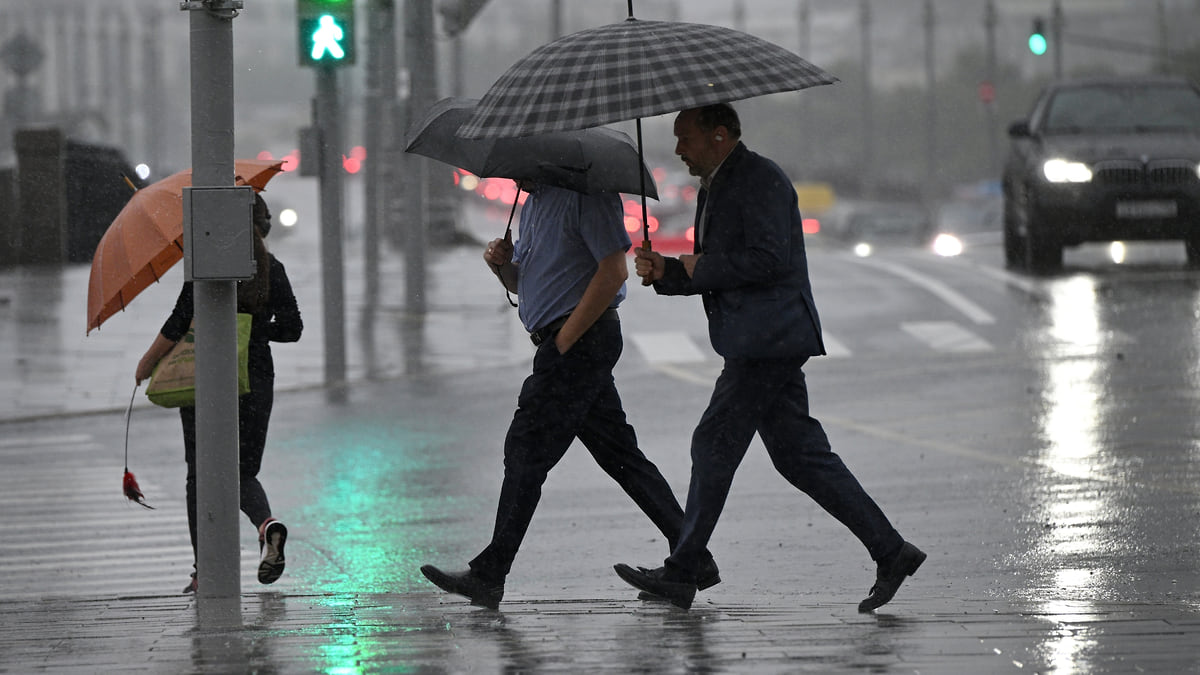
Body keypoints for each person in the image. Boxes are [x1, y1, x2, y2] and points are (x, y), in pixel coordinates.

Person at [614, 103, 925, 612]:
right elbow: (719, 266)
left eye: (684, 138)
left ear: (719, 135)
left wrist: (688, 266)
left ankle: (684, 569)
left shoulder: (759, 179)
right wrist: (668, 272)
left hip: (768, 338)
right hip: (762, 337)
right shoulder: (718, 182)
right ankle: (891, 551)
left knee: (713, 443)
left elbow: (766, 260)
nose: (677, 150)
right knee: (800, 456)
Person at [420, 180, 717, 610]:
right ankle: (695, 559)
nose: (510, 175)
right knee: (621, 457)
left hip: (577, 342)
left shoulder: (587, 194)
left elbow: (613, 271)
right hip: (563, 341)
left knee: (526, 450)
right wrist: (501, 267)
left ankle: (490, 572)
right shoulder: (535, 203)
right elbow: (531, 284)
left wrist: (565, 341)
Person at [135, 193, 303, 594]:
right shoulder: (270, 267)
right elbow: (293, 328)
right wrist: (253, 329)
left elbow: (178, 322)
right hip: (257, 377)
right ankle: (265, 524)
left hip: (207, 377)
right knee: (242, 471)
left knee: (201, 473)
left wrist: (145, 364)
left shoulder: (206, 270)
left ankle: (203, 569)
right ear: (262, 226)